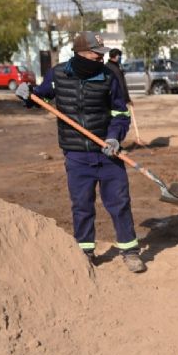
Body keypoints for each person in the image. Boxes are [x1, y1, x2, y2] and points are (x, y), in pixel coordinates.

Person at [15, 31, 146, 273]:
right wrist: (27, 93)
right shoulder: (58, 74)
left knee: (119, 203)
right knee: (82, 205)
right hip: (76, 155)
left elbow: (120, 113)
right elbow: (40, 95)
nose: (100, 59)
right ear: (81, 53)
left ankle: (130, 251)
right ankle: (85, 251)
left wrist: (114, 138)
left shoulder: (109, 76)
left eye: (101, 55)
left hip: (108, 153)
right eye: (96, 55)